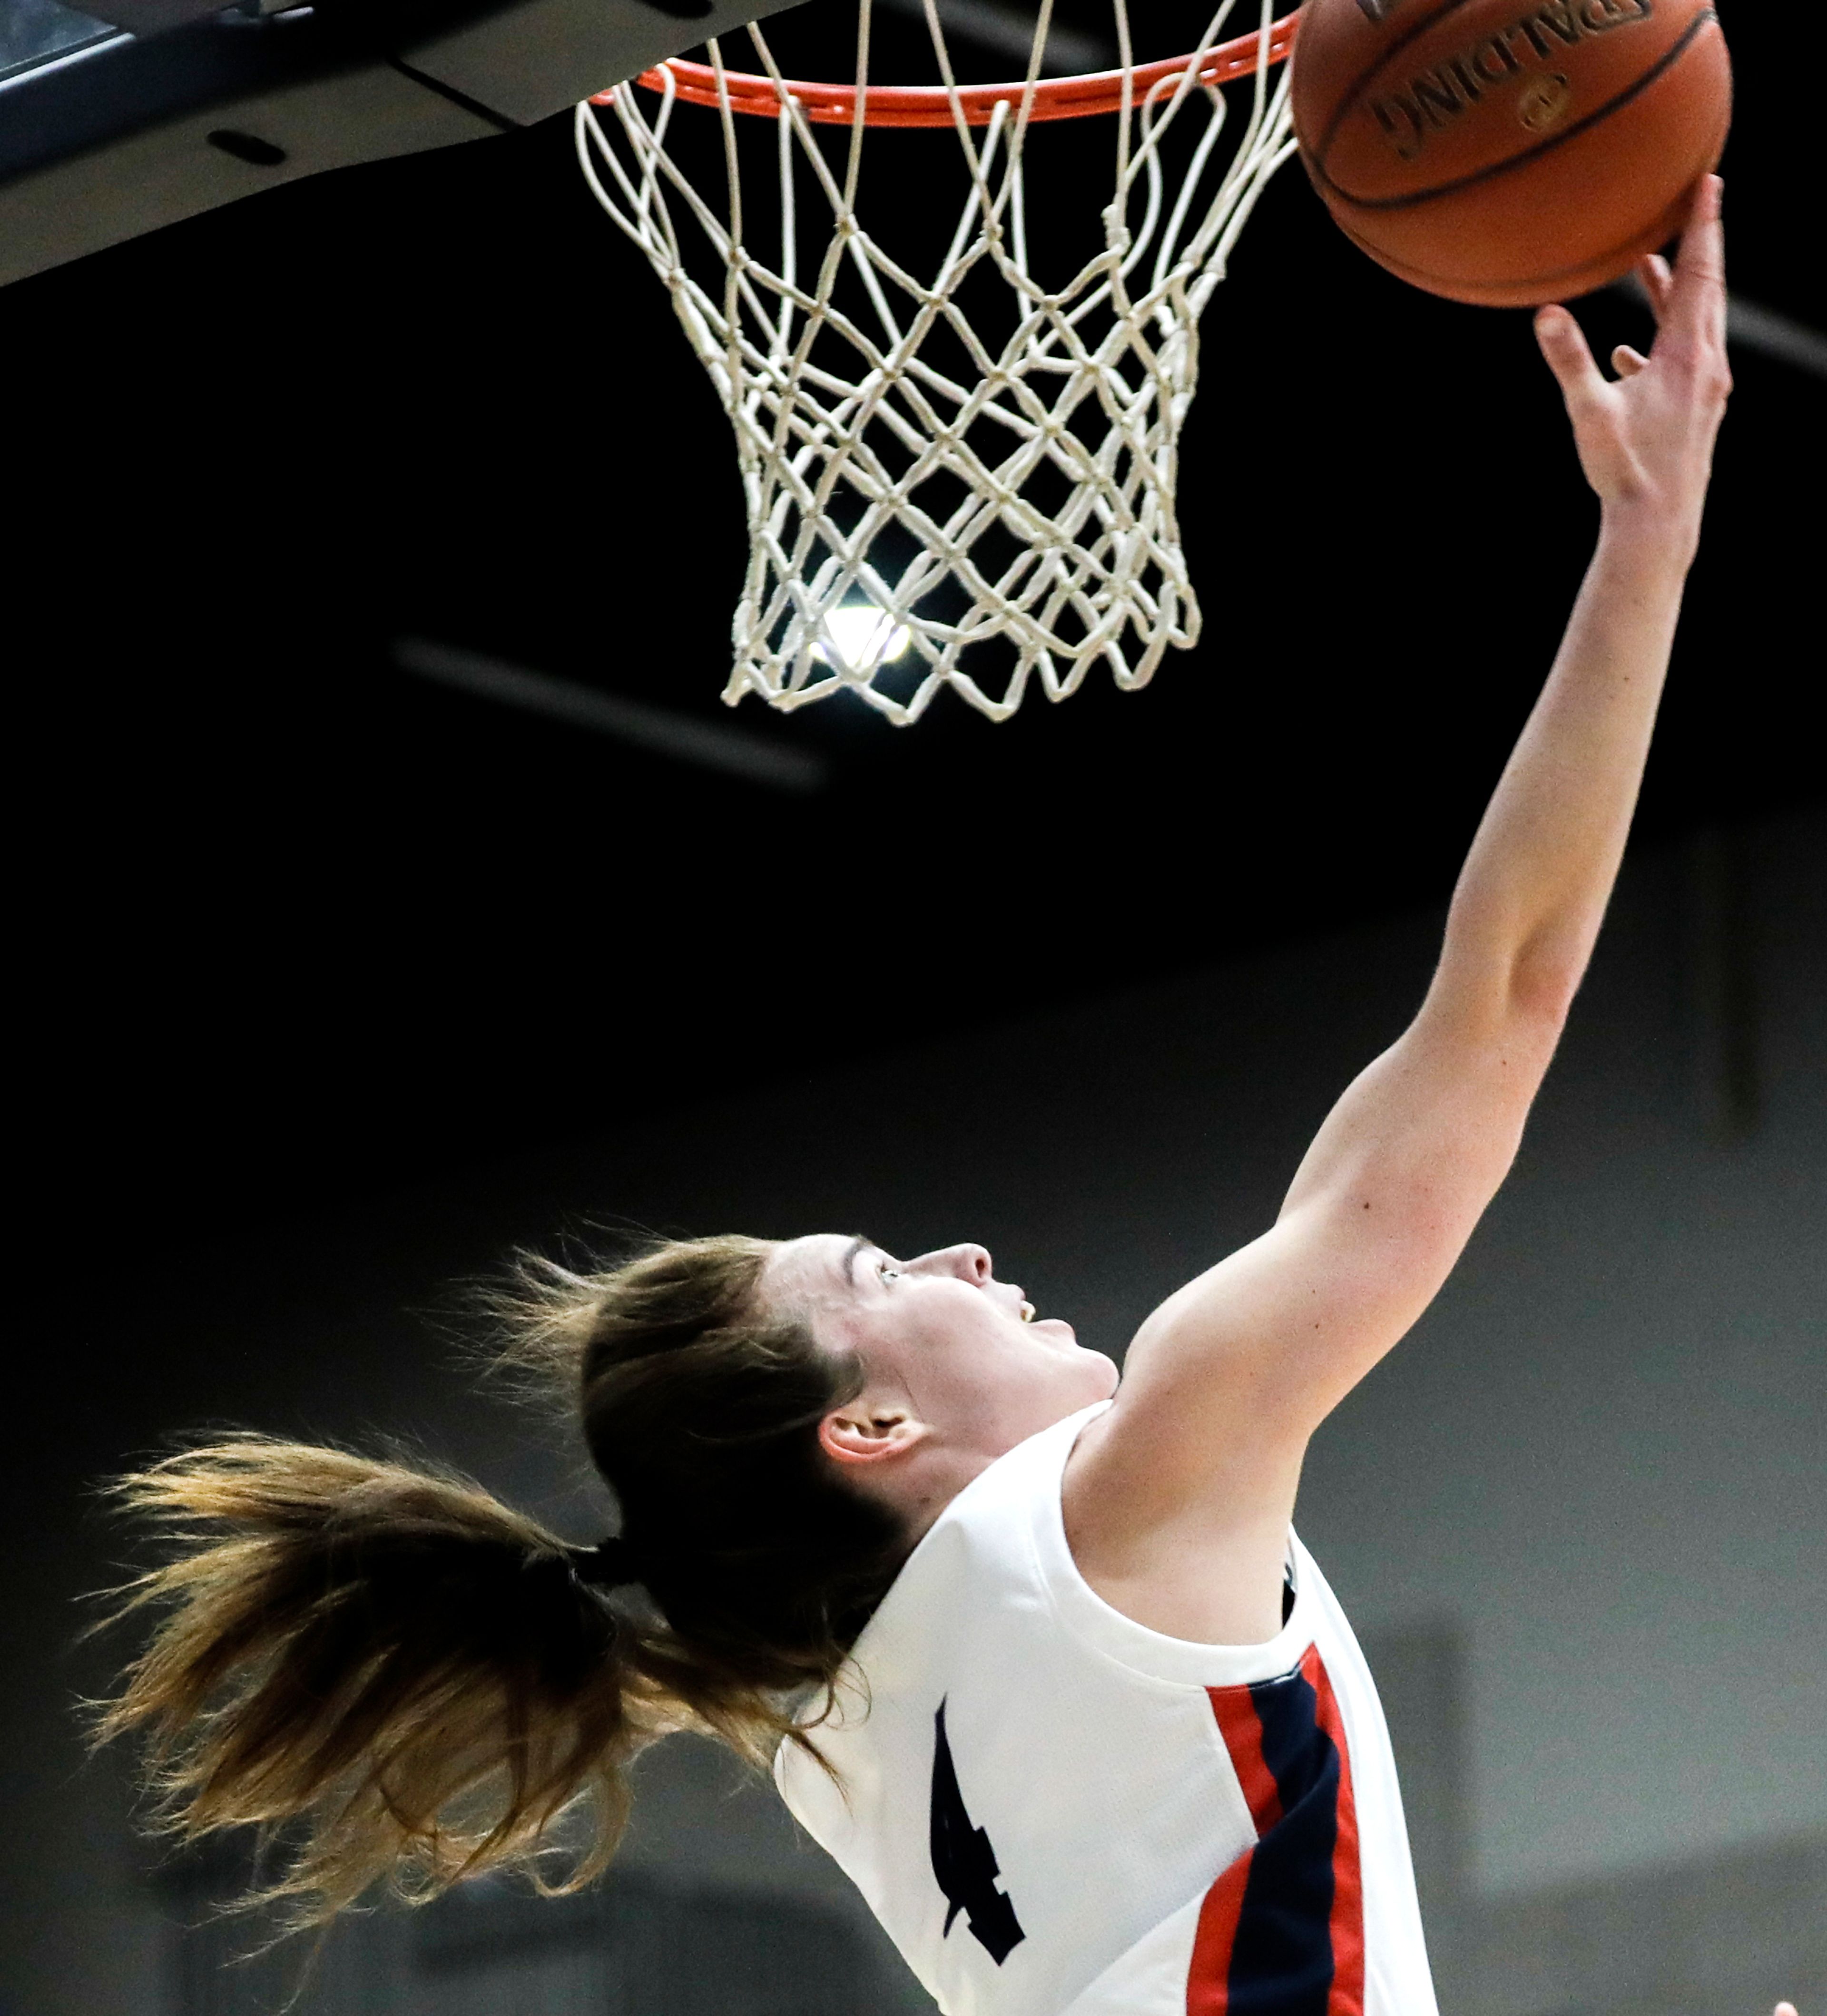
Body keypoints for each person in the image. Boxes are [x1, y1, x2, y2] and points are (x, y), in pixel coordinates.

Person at [97, 179, 1794, 2016]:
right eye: (884, 1270)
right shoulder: (1078, 1536)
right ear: (868, 1430)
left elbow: (1497, 1008)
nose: (967, 1250)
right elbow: (1512, 989)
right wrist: (1648, 532)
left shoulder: (845, 1740)